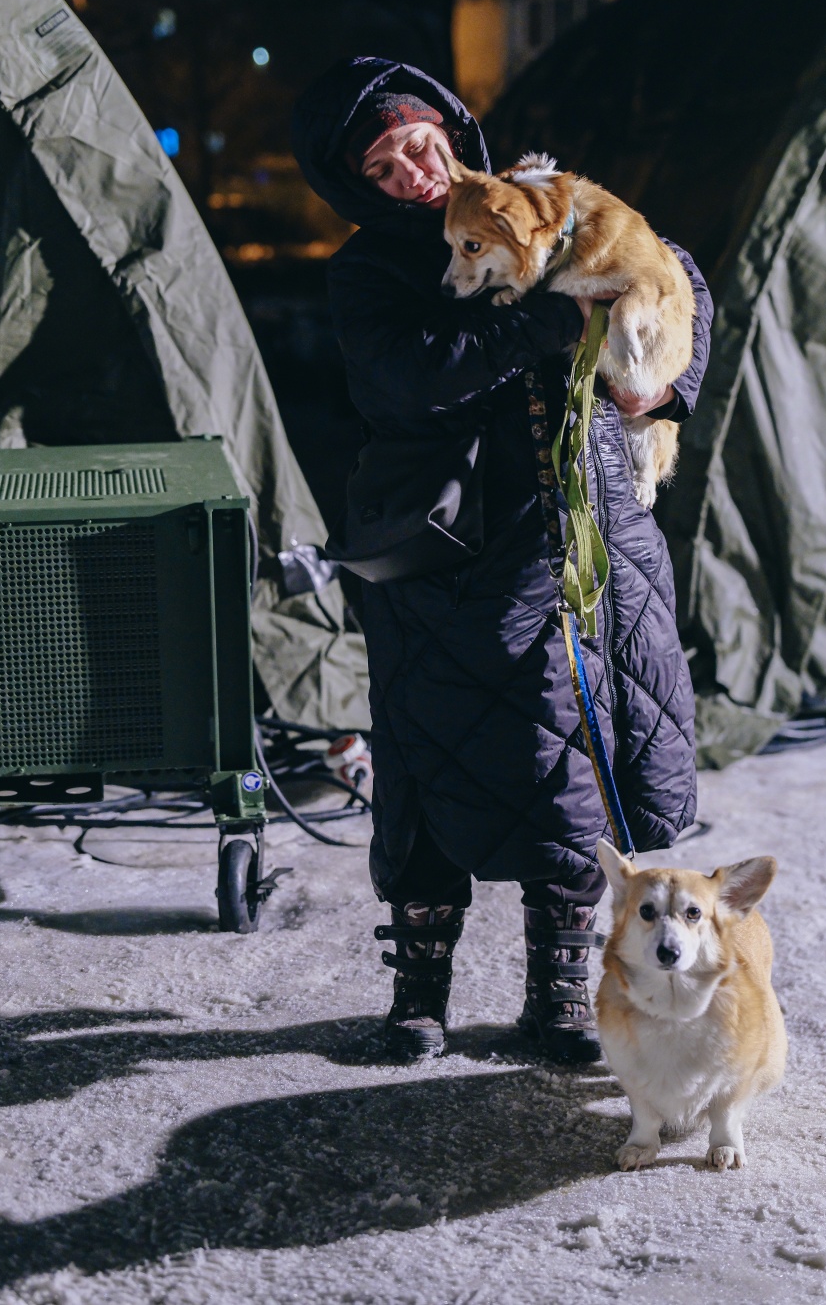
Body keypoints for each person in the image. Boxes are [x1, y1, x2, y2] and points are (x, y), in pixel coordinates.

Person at [291, 58, 710, 1064]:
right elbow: (404, 379)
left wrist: (662, 389)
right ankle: (416, 996)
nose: (415, 172)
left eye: (423, 143)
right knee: (430, 771)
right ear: (360, 184)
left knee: (569, 772)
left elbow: (672, 274)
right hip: (444, 553)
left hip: (578, 535)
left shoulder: (547, 201)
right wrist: (544, 320)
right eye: (385, 166)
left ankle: (557, 999)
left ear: (451, 128)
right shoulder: (369, 272)